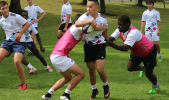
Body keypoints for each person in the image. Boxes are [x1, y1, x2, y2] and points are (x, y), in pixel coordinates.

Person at [107, 15, 160, 93]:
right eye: (118, 24)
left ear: (127, 24)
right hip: (136, 51)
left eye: (121, 25)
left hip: (149, 52)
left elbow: (125, 48)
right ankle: (143, 68)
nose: (119, 27)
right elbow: (111, 38)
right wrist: (103, 40)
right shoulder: (120, 30)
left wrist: (110, 44)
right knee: (130, 68)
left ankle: (156, 86)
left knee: (149, 74)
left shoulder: (133, 32)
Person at [42, 14, 86, 100]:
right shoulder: (75, 27)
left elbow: (86, 38)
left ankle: (48, 94)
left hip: (55, 56)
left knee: (68, 78)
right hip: (60, 56)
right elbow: (87, 29)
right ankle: (65, 95)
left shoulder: (77, 31)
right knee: (81, 73)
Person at [75, 0, 110, 99]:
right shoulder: (84, 16)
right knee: (91, 70)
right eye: (87, 6)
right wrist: (91, 22)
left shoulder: (103, 18)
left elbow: (104, 32)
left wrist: (107, 40)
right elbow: (77, 24)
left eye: (91, 7)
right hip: (88, 46)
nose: (88, 9)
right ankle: (94, 90)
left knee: (100, 69)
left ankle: (105, 85)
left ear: (97, 8)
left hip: (100, 45)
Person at [0, 1, 30, 90]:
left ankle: (24, 84)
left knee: (17, 61)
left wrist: (20, 33)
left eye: (6, 8)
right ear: (0, 10)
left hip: (19, 42)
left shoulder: (15, 16)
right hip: (7, 42)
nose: (5, 10)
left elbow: (27, 24)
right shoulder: (1, 19)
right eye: (3, 9)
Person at [21, 10, 53, 74]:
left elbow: (37, 35)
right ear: (20, 16)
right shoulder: (17, 24)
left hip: (29, 41)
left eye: (25, 15)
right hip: (21, 42)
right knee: (18, 56)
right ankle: (31, 67)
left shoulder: (30, 24)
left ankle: (47, 67)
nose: (24, 17)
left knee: (38, 54)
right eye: (23, 16)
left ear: (27, 16)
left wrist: (41, 46)